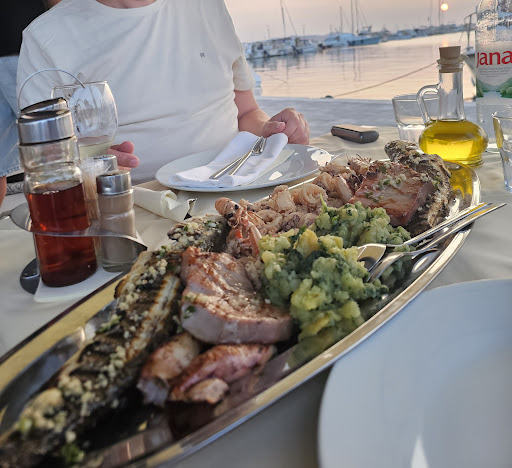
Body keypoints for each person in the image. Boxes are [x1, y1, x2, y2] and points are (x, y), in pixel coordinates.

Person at [17, 0, 309, 184]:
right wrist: (89, 167)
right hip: (133, 205)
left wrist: (270, 130)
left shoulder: (209, 7)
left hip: (237, 186)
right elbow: (46, 166)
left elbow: (246, 111)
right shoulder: (47, 36)